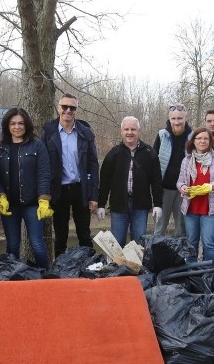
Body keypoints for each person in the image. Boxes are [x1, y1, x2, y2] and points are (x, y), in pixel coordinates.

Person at [0, 107, 52, 269]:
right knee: (12, 245)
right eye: (13, 123)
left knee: (37, 244)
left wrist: (44, 200)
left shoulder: (37, 145)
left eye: (20, 123)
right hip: (9, 205)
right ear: (7, 126)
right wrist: (0, 196)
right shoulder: (0, 148)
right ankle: (12, 278)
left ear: (26, 125)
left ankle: (46, 277)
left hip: (33, 204)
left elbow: (44, 173)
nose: (17, 127)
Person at [41, 93, 99, 256]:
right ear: (58, 108)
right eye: (64, 107)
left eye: (72, 108)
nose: (68, 110)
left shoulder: (85, 132)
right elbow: (43, 166)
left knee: (84, 234)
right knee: (60, 234)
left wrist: (94, 195)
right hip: (58, 191)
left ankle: (89, 268)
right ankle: (61, 270)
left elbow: (93, 165)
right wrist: (45, 194)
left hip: (81, 189)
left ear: (76, 110)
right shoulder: (49, 131)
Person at [97, 116, 162, 247]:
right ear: (121, 131)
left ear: (139, 131)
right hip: (118, 205)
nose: (129, 132)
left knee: (138, 244)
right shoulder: (113, 154)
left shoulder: (150, 152)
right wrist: (101, 204)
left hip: (141, 205)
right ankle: (117, 267)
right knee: (116, 244)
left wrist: (158, 204)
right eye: (126, 129)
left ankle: (137, 267)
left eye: (133, 129)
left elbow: (156, 180)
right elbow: (104, 182)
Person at [177, 127, 214, 262]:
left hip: (211, 209)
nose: (202, 141)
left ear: (210, 141)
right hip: (191, 208)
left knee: (209, 243)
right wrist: (182, 187)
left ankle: (208, 274)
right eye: (199, 138)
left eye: (206, 138)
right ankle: (192, 274)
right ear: (193, 141)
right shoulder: (187, 160)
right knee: (191, 243)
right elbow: (180, 182)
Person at [153, 103, 192, 236]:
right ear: (169, 119)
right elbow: (153, 161)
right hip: (164, 189)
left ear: (185, 118)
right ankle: (156, 255)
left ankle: (180, 257)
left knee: (182, 229)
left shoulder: (193, 136)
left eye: (180, 118)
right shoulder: (162, 135)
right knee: (159, 228)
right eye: (173, 119)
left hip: (184, 191)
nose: (176, 122)